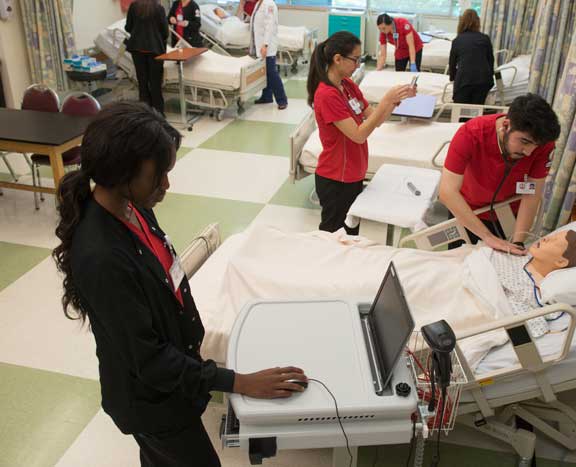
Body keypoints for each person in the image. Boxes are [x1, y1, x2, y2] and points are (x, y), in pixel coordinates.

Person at [53, 101, 306, 467]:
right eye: (159, 174)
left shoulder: (134, 208)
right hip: (152, 401)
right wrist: (238, 382)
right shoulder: (102, 257)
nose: (167, 185)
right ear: (123, 171)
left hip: (173, 384)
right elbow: (151, 360)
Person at [307, 32, 416, 234]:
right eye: (355, 59)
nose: (358, 64)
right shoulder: (327, 95)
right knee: (333, 236)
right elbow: (358, 134)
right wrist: (385, 100)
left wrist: (393, 101)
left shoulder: (347, 85)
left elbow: (376, 120)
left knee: (351, 233)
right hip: (335, 179)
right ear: (337, 59)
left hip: (354, 173)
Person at [439, 93, 561, 253]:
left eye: (536, 146)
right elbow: (447, 192)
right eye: (524, 142)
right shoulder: (471, 134)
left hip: (508, 213)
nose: (529, 152)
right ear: (506, 125)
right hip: (467, 212)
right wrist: (488, 238)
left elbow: (531, 194)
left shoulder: (543, 145)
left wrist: (518, 241)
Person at [489, 229, 576, 338]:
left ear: (561, 262)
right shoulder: (518, 254)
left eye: (553, 241)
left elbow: (515, 310)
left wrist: (541, 328)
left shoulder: (530, 290)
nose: (546, 237)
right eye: (552, 236)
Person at [125, 0, 168, 114]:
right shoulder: (159, 8)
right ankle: (158, 114)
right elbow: (165, 32)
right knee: (155, 84)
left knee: (142, 83)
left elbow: (128, 27)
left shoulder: (134, 6)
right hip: (154, 50)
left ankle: (145, 115)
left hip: (137, 49)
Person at [449, 9, 494, 105]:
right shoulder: (485, 39)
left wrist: (453, 78)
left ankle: (462, 120)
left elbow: (452, 64)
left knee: (460, 112)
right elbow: (490, 61)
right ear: (477, 22)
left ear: (461, 22)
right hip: (483, 81)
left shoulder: (457, 40)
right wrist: (490, 75)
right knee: (476, 111)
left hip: (464, 81)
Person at [250, 0, 288, 110]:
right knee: (265, 73)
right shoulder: (259, 3)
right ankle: (267, 97)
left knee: (271, 73)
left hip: (267, 46)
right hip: (261, 45)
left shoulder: (269, 4)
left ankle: (282, 100)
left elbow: (269, 26)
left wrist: (265, 45)